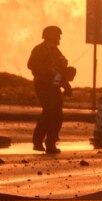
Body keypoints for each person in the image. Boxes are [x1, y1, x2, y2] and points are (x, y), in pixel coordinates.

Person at [28, 25, 75, 154]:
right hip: (43, 85)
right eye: (57, 36)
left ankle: (51, 143)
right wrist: (49, 70)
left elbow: (61, 71)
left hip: (54, 86)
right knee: (49, 111)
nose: (59, 38)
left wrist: (67, 86)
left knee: (57, 115)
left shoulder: (55, 51)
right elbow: (31, 65)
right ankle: (37, 141)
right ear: (51, 36)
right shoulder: (40, 49)